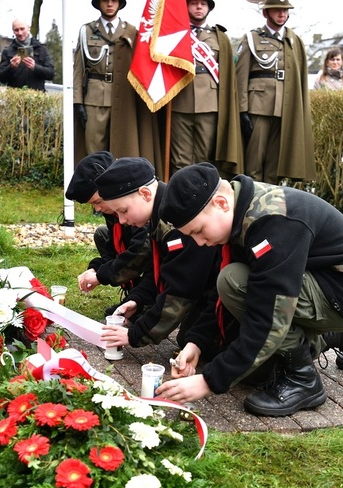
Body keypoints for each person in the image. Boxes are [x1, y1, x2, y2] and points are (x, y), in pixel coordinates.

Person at [156, 163, 343, 417]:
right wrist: (196, 343)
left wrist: (209, 381)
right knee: (233, 288)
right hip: (329, 281)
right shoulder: (240, 210)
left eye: (198, 231)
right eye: (191, 236)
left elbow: (269, 315)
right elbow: (225, 300)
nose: (199, 242)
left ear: (221, 203)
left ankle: (303, 380)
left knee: (235, 282)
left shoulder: (272, 222)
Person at [95, 157, 223, 359]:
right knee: (189, 338)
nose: (122, 221)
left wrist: (135, 335)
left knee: (201, 344)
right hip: (206, 284)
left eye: (124, 211)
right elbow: (162, 271)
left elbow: (181, 289)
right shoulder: (158, 215)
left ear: (145, 194)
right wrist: (138, 300)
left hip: (228, 289)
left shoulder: (175, 221)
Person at [72, 0, 163, 177]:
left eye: (114, 0)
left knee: (123, 148)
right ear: (98, 4)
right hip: (95, 98)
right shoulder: (87, 31)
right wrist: (78, 102)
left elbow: (142, 65)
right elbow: (78, 69)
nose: (109, 4)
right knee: (95, 151)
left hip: (124, 98)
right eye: (105, 0)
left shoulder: (131, 32)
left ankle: (118, 194)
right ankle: (97, 199)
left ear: (120, 4)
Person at [235, 0, 315, 185]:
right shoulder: (252, 39)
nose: (282, 14)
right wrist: (242, 110)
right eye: (277, 10)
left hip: (284, 110)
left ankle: (269, 207)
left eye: (285, 10)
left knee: (274, 166)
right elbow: (240, 77)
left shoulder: (294, 41)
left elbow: (299, 79)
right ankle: (250, 206)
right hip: (258, 107)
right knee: (253, 164)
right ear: (265, 13)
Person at [65, 151, 152, 315]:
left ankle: (145, 299)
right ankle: (135, 295)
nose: (97, 209)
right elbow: (113, 246)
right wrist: (96, 269)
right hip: (139, 250)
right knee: (102, 234)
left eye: (98, 202)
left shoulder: (138, 207)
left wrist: (101, 277)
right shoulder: (111, 211)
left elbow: (141, 250)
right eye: (93, 205)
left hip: (156, 258)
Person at [168, 0, 242, 179]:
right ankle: (180, 200)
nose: (199, 7)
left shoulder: (219, 37)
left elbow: (227, 75)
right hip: (179, 100)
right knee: (180, 160)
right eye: (193, 3)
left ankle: (203, 199)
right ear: (186, 7)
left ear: (209, 7)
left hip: (210, 104)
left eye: (203, 3)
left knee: (205, 158)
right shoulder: (174, 33)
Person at [0, 19, 54, 92]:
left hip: (37, 98)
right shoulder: (7, 51)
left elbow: (50, 74)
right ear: (13, 31)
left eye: (22, 29)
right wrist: (11, 67)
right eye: (16, 30)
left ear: (28, 28)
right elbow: (1, 78)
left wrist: (35, 67)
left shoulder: (41, 49)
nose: (20, 33)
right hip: (15, 98)